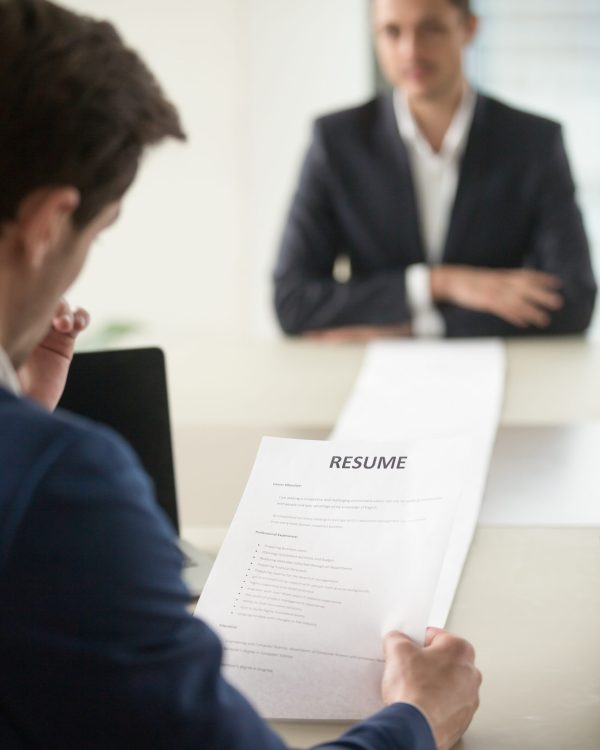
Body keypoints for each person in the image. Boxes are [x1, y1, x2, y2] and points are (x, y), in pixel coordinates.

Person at [0, 2, 481, 749]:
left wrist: (23, 414)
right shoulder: (64, 487)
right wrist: (418, 719)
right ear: (46, 225)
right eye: (97, 231)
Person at [273, 0, 597, 341]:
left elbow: (575, 301)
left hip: (502, 371)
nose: (410, 50)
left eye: (431, 28)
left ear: (469, 28)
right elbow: (293, 301)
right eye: (392, 31)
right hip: (375, 377)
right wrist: (441, 283)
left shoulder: (534, 143)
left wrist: (417, 326)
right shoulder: (336, 142)